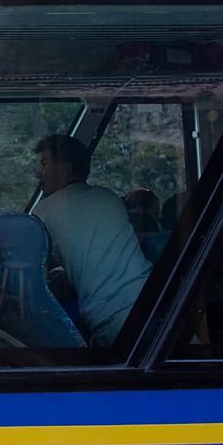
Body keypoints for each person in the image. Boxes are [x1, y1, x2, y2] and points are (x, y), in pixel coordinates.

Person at [30, 134, 151, 344]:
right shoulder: (108, 197)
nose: (38, 174)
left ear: (66, 169)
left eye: (44, 163)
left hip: (114, 320)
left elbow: (33, 279)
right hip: (158, 301)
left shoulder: (43, 212)